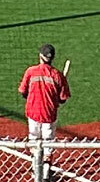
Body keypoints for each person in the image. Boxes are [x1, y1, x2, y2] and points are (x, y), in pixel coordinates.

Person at [19, 44, 70, 173]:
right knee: (48, 142)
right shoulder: (58, 75)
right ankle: (46, 173)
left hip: (33, 112)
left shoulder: (30, 71)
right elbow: (63, 99)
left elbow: (23, 92)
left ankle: (35, 167)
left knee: (33, 139)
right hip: (49, 114)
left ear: (40, 56)